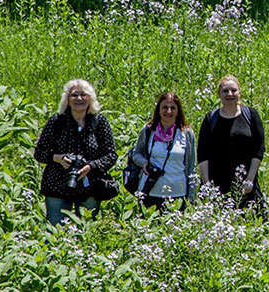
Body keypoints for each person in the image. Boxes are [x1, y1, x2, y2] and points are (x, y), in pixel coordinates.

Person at [34, 79, 118, 226]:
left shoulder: (99, 122)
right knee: (55, 230)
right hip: (57, 185)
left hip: (89, 185)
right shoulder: (56, 121)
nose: (79, 98)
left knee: (87, 229)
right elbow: (39, 153)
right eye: (74, 95)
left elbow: (111, 155)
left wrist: (91, 166)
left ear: (90, 98)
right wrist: (58, 158)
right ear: (67, 99)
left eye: (83, 95)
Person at [197, 75, 266, 212]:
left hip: (246, 185)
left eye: (233, 90)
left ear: (239, 92)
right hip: (218, 186)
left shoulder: (250, 115)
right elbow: (202, 153)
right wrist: (206, 185)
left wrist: (250, 179)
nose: (230, 94)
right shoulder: (211, 118)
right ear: (218, 94)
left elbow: (259, 148)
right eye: (225, 91)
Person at [130, 92, 198, 210]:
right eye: (165, 107)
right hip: (150, 192)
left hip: (178, 194)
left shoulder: (186, 133)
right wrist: (144, 163)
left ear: (178, 111)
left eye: (173, 108)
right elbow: (136, 154)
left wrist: (192, 196)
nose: (169, 111)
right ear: (158, 110)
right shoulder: (148, 130)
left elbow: (191, 165)